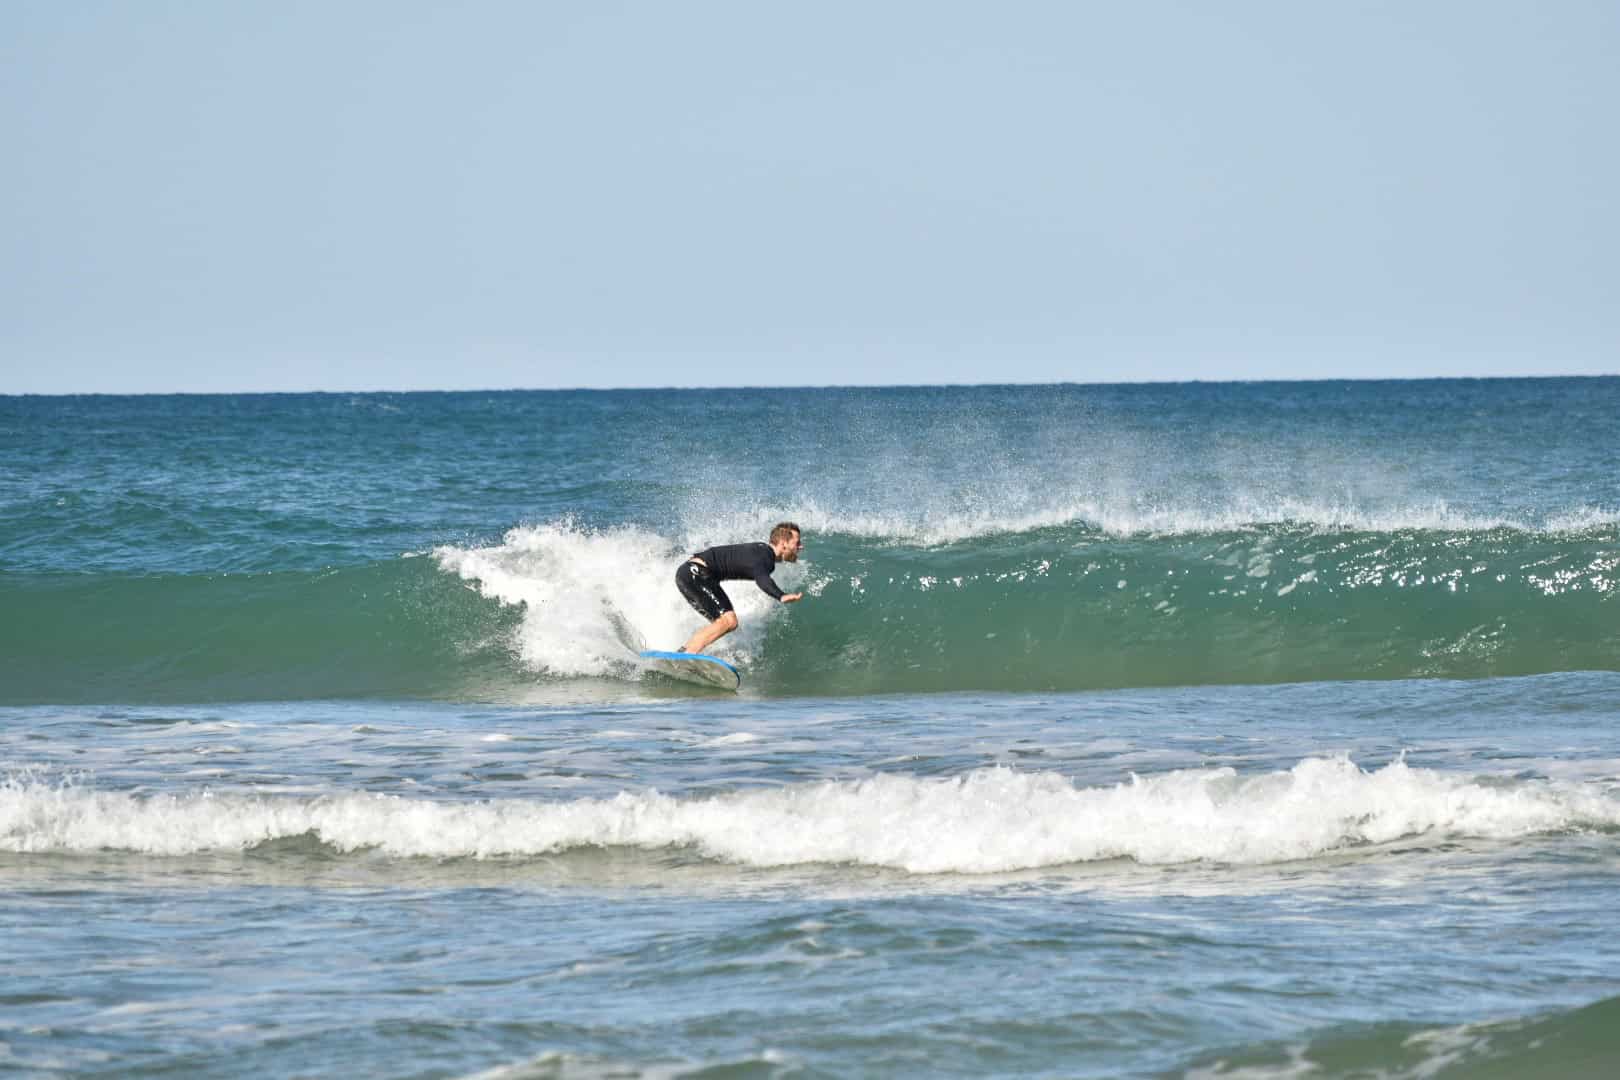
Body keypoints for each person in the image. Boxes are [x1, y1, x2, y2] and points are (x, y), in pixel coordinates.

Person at [676, 522, 804, 654]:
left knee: (724, 622)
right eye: (797, 543)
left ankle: (684, 652)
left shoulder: (761, 550)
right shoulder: (765, 556)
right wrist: (780, 595)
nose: (801, 547)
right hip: (696, 573)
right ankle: (687, 654)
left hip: (692, 573)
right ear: (783, 543)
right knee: (728, 621)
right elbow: (762, 578)